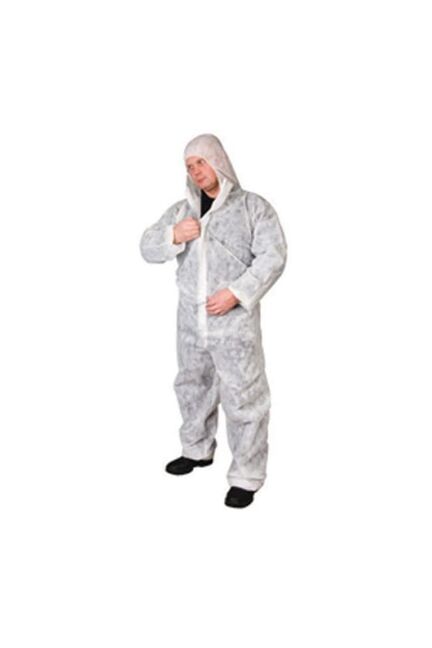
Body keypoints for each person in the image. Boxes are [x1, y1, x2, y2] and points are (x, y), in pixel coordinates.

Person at [139, 133, 287, 508]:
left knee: (244, 395)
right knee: (192, 385)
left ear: (218, 160)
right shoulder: (181, 212)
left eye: (200, 162)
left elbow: (273, 256)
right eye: (189, 166)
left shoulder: (253, 208)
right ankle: (196, 449)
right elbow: (147, 246)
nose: (195, 171)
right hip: (190, 322)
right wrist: (173, 235)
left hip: (234, 325)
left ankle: (246, 476)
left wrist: (235, 292)